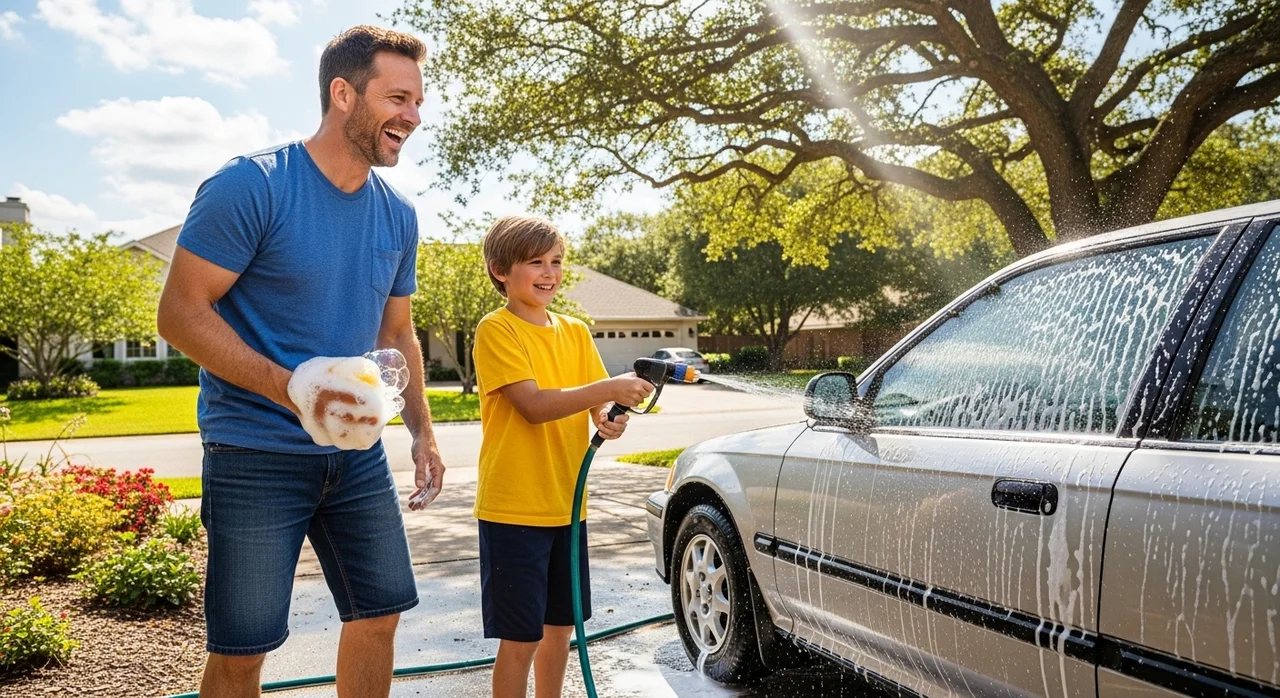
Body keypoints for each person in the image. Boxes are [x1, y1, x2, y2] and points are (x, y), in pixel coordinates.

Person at [156, 25, 444, 698]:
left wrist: (422, 430)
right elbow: (180, 315)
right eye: (398, 97)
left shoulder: (397, 215)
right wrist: (295, 389)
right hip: (253, 452)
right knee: (244, 649)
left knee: (380, 615)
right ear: (344, 94)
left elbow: (397, 334)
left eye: (419, 101)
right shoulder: (251, 186)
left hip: (356, 455)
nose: (414, 116)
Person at [472, 215, 654, 698]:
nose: (549, 272)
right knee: (521, 638)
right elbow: (533, 406)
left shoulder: (573, 331)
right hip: (514, 508)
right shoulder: (497, 330)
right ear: (500, 271)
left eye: (555, 261)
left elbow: (593, 403)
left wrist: (607, 417)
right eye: (535, 262)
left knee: (560, 630)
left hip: (567, 507)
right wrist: (610, 386)